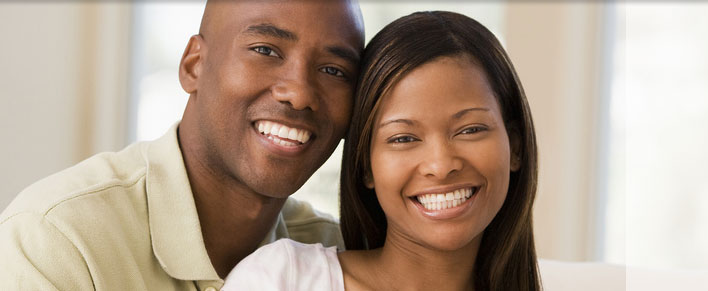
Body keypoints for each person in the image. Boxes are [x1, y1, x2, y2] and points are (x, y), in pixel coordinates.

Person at [0, 0, 364, 290]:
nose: (300, 94)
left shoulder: (341, 258)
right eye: (266, 50)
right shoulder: (56, 240)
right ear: (194, 66)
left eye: (334, 71)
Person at [222, 11, 541, 290]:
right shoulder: (285, 279)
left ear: (514, 147)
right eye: (403, 138)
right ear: (366, 166)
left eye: (470, 130)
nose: (441, 165)